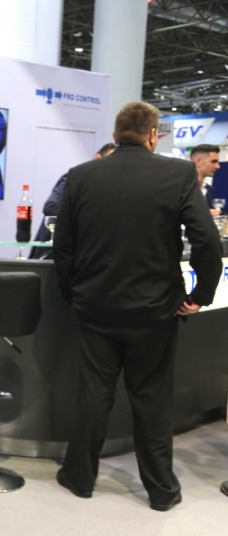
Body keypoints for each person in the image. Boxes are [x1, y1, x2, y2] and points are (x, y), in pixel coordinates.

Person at [52, 101, 222, 511]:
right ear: (152, 136)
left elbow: (63, 247)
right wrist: (199, 296)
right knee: (152, 399)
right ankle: (161, 490)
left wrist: (73, 293)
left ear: (115, 135)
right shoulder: (178, 173)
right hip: (155, 309)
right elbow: (207, 241)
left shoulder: (82, 175)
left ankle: (79, 477)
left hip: (96, 306)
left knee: (94, 393)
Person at [29, 143, 116, 259]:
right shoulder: (75, 179)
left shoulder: (107, 187)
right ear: (97, 158)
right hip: (51, 252)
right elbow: (51, 207)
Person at [190, 144, 221, 215]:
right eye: (213, 162)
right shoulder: (181, 189)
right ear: (198, 161)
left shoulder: (209, 190)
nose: (218, 166)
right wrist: (204, 215)